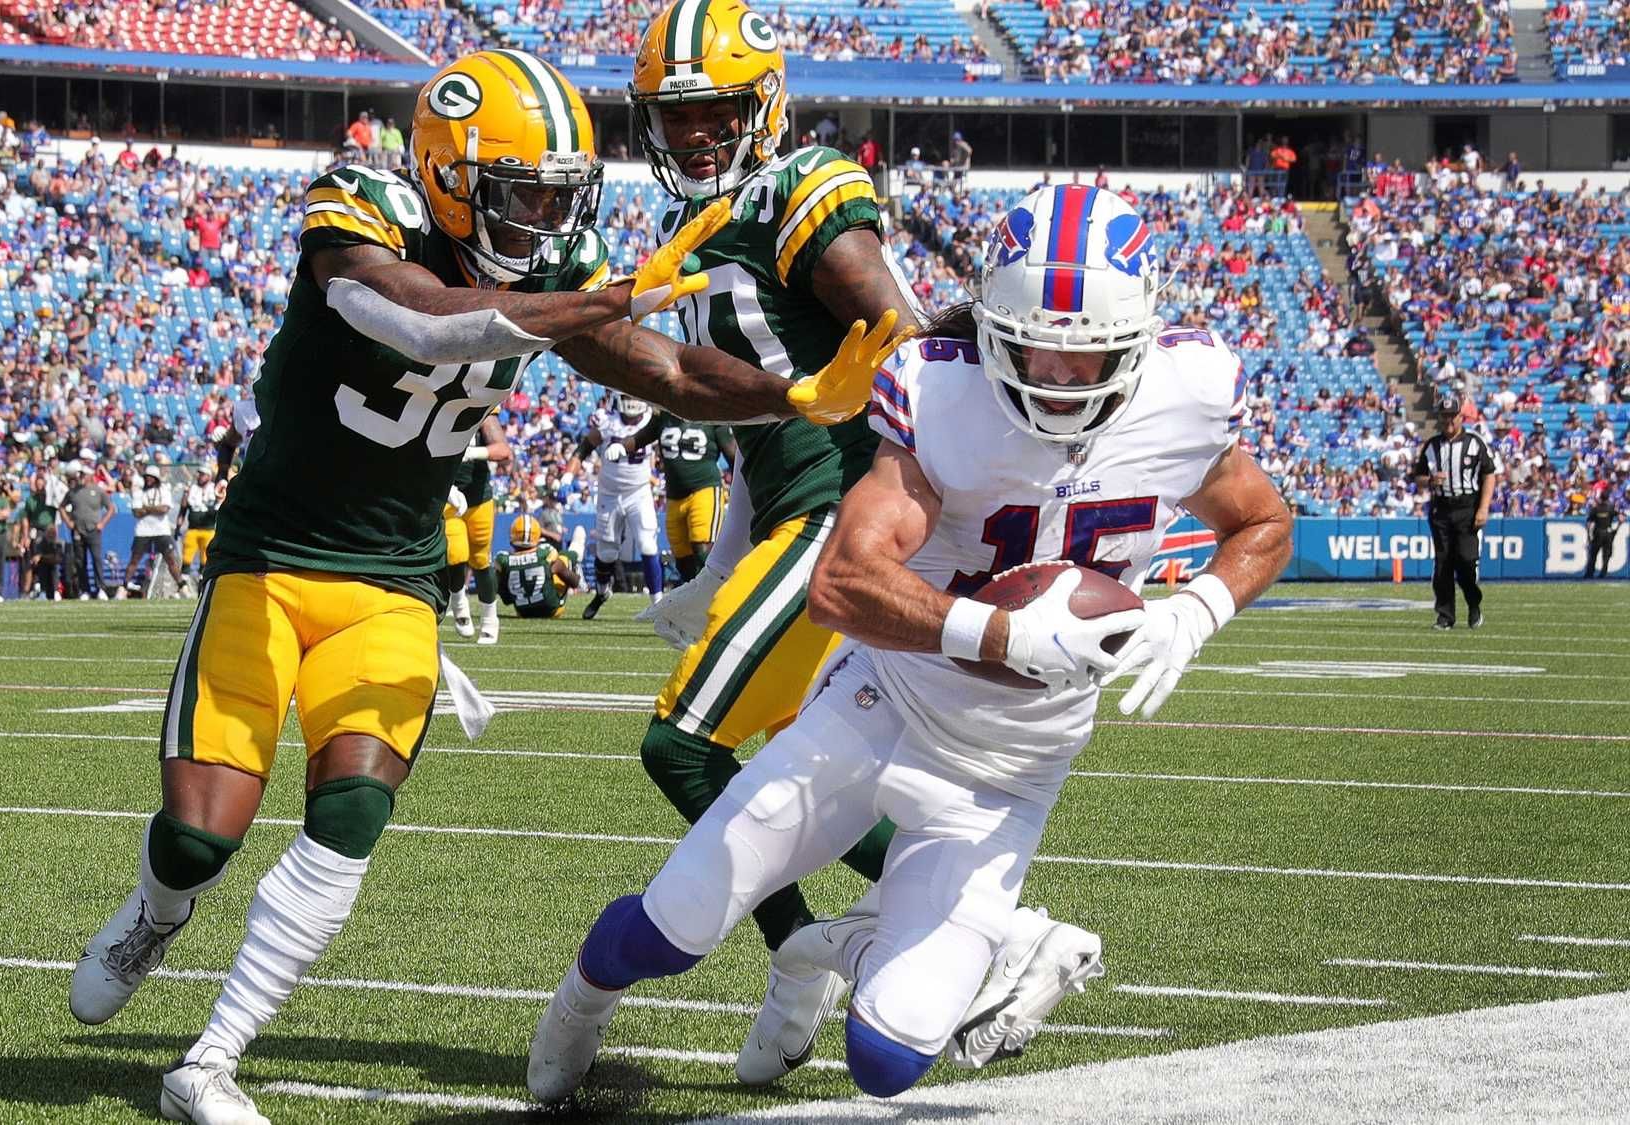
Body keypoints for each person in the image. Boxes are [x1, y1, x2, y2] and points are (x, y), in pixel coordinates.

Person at [66, 48, 893, 1125]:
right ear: (452, 178)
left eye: (559, 194)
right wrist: (595, 301)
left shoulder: (555, 265)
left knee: (351, 811)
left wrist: (794, 395)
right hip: (270, 560)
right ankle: (157, 908)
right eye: (522, 192)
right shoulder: (364, 210)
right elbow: (423, 320)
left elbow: (667, 369)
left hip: (396, 577)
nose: (544, 217)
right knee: (198, 838)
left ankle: (211, 1062)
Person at [529, 186, 1295, 1104]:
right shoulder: (943, 393)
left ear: (1136, 339)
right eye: (1036, 346)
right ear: (993, 327)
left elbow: (1262, 520)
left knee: (886, 1061)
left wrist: (1197, 608)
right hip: (879, 710)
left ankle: (824, 946)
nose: (1060, 374)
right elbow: (841, 581)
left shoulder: (1186, 395)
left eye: (1087, 349)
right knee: (675, 926)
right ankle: (580, 1000)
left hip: (1012, 775)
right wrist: (1002, 633)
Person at [618, 0, 953, 1085]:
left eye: (716, 110)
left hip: (839, 513)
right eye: (677, 115)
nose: (696, 132)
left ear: (762, 104)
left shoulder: (797, 186)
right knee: (799, 769)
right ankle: (963, 921)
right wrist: (715, 571)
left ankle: (812, 951)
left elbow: (901, 339)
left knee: (682, 745)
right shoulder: (699, 227)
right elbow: (749, 432)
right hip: (792, 508)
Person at [1413, 395, 1500, 630]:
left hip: (1467, 508)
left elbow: (1489, 474)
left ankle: (1473, 603)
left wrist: (1483, 507)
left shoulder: (1474, 443)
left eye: (1452, 415)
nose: (1448, 420)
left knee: (1466, 561)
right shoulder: (1432, 446)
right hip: (1441, 509)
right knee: (1443, 564)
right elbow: (1418, 477)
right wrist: (1430, 480)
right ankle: (1445, 615)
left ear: (1461, 417)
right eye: (1444, 416)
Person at [577, 395, 661, 616]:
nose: (632, 400)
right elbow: (585, 446)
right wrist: (568, 473)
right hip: (609, 494)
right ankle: (602, 593)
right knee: (606, 553)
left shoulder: (651, 419)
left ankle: (658, 604)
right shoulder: (607, 420)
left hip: (639, 491)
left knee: (648, 545)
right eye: (627, 395)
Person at [632, 408, 736, 582]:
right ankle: (693, 593)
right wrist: (619, 445)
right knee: (682, 557)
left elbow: (732, 455)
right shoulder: (663, 415)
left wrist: (742, 488)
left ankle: (716, 590)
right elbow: (641, 438)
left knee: (702, 547)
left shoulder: (711, 413)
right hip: (674, 495)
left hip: (704, 489)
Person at [444, 417, 510, 642]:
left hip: (479, 497)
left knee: (481, 560)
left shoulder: (484, 414)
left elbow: (503, 450)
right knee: (455, 554)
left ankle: (490, 619)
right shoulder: (436, 410)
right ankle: (459, 603)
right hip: (449, 495)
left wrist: (472, 452)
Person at [495, 514, 586, 619]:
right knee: (563, 559)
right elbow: (573, 582)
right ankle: (576, 555)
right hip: (552, 610)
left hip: (523, 613)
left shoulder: (503, 560)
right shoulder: (545, 553)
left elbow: (506, 598)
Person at [126, 465, 185, 599]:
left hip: (161, 529)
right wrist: (154, 509)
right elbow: (136, 512)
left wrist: (146, 508)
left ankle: (182, 586)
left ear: (156, 479)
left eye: (151, 477)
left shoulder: (163, 490)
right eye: (146, 477)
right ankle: (124, 586)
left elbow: (164, 509)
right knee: (134, 559)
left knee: (170, 559)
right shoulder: (139, 491)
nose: (148, 479)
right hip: (143, 530)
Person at [61, 468, 110, 600]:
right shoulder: (73, 492)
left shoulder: (98, 491)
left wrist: (102, 523)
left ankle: (101, 588)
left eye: (84, 475)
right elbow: (62, 507)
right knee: (80, 561)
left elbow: (111, 508)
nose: (81, 477)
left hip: (93, 530)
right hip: (78, 530)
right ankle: (85, 589)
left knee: (96, 558)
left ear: (90, 476)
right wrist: (69, 522)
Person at [23, 469, 63, 599]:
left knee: (52, 560)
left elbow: (60, 504)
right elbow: (26, 519)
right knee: (37, 561)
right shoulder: (31, 500)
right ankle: (41, 589)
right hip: (37, 531)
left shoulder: (51, 499)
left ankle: (55, 589)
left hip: (50, 532)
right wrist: (26, 536)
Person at [180, 463, 220, 586]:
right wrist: (178, 525)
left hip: (208, 529)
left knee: (205, 559)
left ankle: (202, 585)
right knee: (186, 557)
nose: (199, 476)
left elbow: (221, 505)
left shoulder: (215, 488)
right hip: (193, 528)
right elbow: (183, 508)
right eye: (199, 474)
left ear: (209, 476)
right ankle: (183, 585)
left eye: (202, 474)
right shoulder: (192, 489)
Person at [1586, 491, 1621, 579]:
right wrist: (1616, 529)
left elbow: (1589, 523)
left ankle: (1590, 573)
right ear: (1608, 498)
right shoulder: (1611, 508)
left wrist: (1589, 535)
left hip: (1598, 533)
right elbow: (1621, 518)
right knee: (1606, 555)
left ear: (1600, 498)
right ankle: (1603, 573)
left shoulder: (1595, 509)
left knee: (1593, 554)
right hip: (1608, 533)